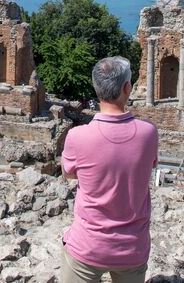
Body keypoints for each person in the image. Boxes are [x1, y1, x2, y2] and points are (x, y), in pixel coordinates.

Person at [60, 57, 158, 283]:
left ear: (96, 89)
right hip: (133, 249)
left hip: (87, 246)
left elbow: (69, 173)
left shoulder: (77, 136)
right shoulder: (149, 133)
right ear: (127, 88)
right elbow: (148, 166)